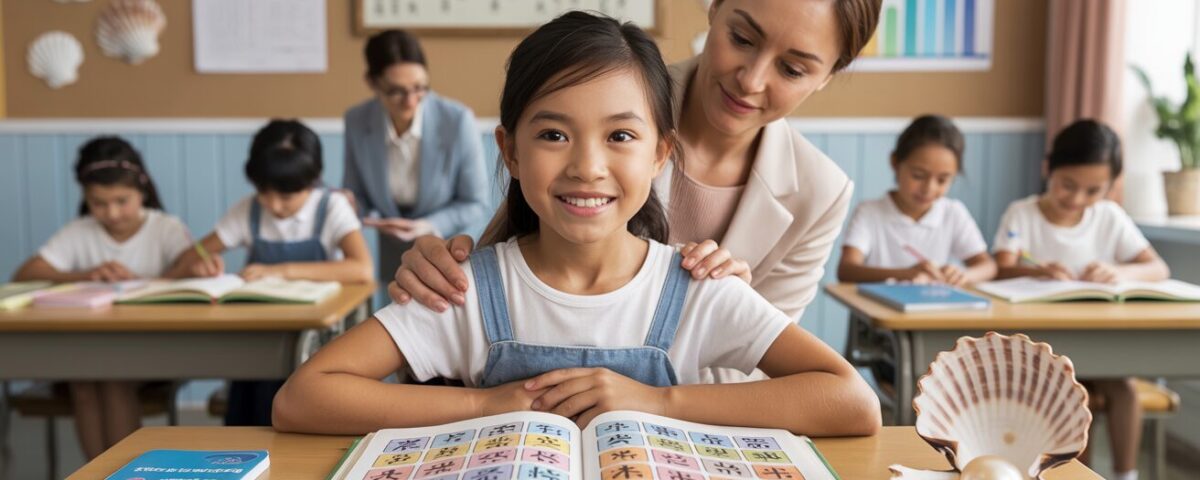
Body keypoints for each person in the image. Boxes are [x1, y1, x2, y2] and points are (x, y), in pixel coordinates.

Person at [272, 12, 880, 436]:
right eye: (554, 134)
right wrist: (485, 404)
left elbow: (849, 401)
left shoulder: (704, 288)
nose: (587, 166)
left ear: (658, 152)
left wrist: (656, 401)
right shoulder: (476, 290)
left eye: (620, 136)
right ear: (510, 151)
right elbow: (304, 397)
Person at [384, 0, 883, 384]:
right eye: (742, 37)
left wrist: (726, 312)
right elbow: (516, 246)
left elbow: (763, 373)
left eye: (793, 70)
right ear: (713, 9)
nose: (751, 80)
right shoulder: (606, 91)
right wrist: (437, 269)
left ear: (828, 75)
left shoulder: (821, 191)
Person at [993, 119, 1169, 480]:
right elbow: (1001, 268)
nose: (1076, 199)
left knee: (1124, 388)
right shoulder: (1022, 213)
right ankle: (1078, 476)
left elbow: (1157, 267)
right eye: (1067, 185)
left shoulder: (1109, 217)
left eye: (1093, 191)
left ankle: (1125, 474)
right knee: (1077, 394)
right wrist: (1038, 272)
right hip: (1046, 349)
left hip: (1103, 346)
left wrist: (1120, 272)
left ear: (1110, 187)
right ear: (1049, 169)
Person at [174, 119, 373, 426]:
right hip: (256, 337)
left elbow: (361, 268)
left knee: (284, 398)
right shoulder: (249, 210)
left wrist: (280, 270)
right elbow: (192, 255)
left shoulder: (330, 207)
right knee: (249, 401)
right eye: (265, 193)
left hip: (314, 341)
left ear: (312, 181)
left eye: (287, 196)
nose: (275, 205)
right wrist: (201, 262)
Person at [12, 136, 191, 459]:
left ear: (142, 191)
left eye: (122, 200)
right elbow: (25, 273)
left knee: (111, 376)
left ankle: (126, 471)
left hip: (155, 349)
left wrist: (144, 281)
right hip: (89, 349)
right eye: (99, 203)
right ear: (85, 197)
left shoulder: (166, 229)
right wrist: (86, 275)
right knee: (85, 380)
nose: (111, 212)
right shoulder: (80, 231)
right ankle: (97, 472)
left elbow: (189, 275)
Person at [342, 29, 490, 286]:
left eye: (420, 88)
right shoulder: (357, 120)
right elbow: (358, 197)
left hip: (446, 245)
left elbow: (476, 203)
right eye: (396, 91)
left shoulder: (457, 120)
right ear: (372, 83)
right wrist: (349, 206)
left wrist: (427, 225)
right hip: (391, 248)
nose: (411, 101)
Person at [837, 114, 996, 285]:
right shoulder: (869, 212)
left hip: (932, 311)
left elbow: (988, 266)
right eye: (918, 176)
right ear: (895, 163)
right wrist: (906, 274)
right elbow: (847, 270)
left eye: (942, 180)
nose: (929, 189)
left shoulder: (953, 212)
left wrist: (963, 275)